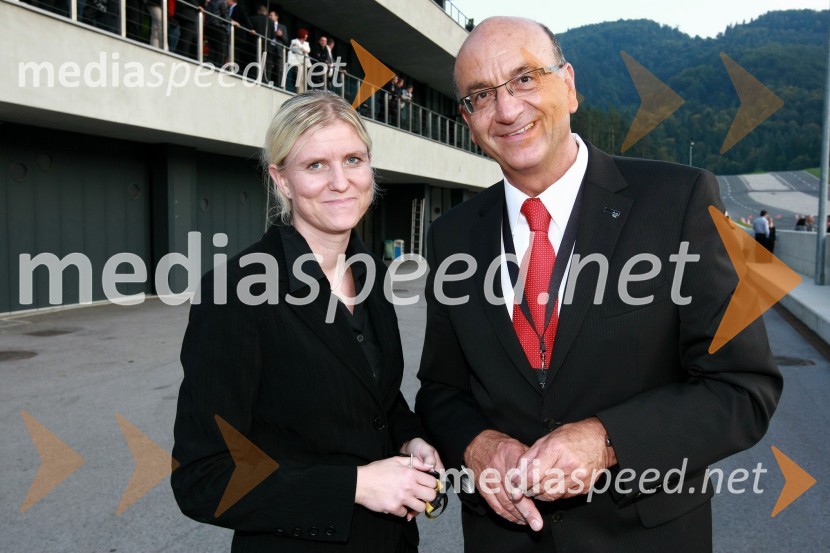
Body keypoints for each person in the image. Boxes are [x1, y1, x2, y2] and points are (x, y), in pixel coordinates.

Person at [415, 16, 781, 553]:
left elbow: (744, 388)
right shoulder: (450, 237)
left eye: (524, 79)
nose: (508, 109)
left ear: (568, 84)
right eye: (481, 95)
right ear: (468, 120)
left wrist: (608, 442)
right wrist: (477, 445)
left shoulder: (681, 202)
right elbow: (441, 392)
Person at [172, 92, 444, 552]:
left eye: (353, 159)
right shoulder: (237, 290)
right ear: (281, 180)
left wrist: (411, 436)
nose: (341, 181)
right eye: (316, 165)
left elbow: (374, 395)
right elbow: (204, 476)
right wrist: (355, 486)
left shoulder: (368, 272)